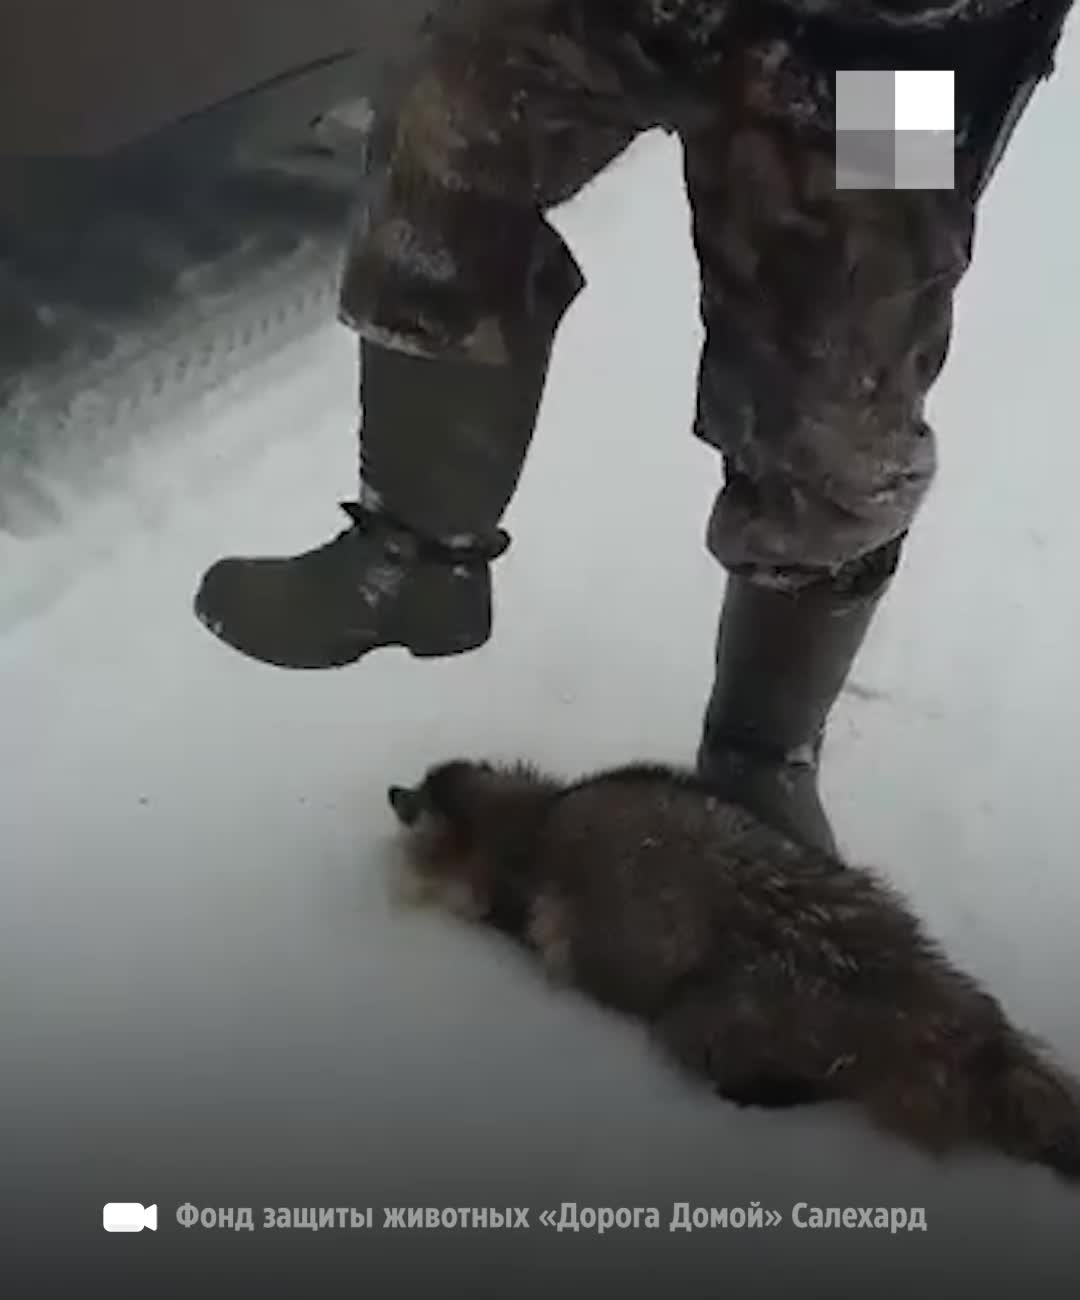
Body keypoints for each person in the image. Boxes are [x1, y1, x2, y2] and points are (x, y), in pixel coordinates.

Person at [192, 0, 1073, 857]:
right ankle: (413, 559)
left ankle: (759, 757)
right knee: (458, 105)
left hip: (896, 46)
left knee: (838, 385)